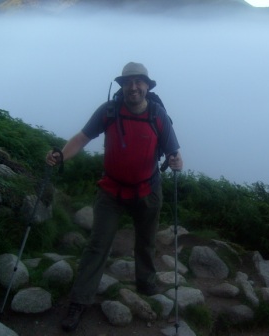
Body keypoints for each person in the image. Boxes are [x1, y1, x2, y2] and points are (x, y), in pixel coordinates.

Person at [46, 62, 183, 332]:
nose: (133, 87)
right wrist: (61, 154)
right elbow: (82, 137)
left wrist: (177, 161)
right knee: (97, 245)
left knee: (146, 242)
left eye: (138, 82)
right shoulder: (108, 111)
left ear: (147, 86)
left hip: (147, 190)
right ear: (122, 85)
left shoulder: (158, 115)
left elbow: (174, 152)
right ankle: (79, 301)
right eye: (128, 82)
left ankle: (146, 284)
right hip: (111, 190)